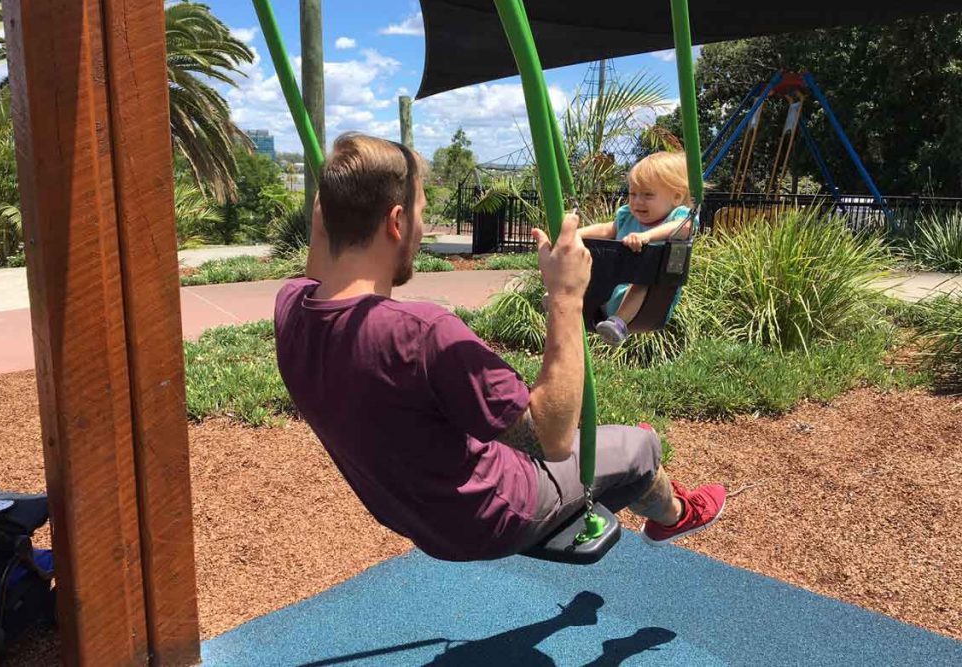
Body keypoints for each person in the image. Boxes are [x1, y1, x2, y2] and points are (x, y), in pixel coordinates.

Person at [273, 133, 725, 562]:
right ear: (396, 222)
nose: (423, 226)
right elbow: (552, 440)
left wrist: (333, 203)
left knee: (563, 439)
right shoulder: (424, 334)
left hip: (413, 515)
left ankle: (649, 493)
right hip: (493, 516)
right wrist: (567, 298)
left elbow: (318, 260)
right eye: (422, 212)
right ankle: (676, 516)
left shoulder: (291, 304)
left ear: (324, 216)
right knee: (640, 445)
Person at [578, 151, 696, 345]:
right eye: (633, 193)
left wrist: (647, 236)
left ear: (676, 197)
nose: (637, 201)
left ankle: (618, 324)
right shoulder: (627, 216)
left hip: (645, 302)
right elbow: (607, 229)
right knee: (589, 268)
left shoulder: (679, 217)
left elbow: (683, 229)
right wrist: (576, 233)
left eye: (648, 195)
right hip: (609, 291)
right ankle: (564, 299)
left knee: (642, 279)